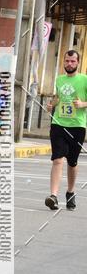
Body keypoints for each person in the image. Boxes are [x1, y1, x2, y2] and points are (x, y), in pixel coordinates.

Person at [45, 49, 87, 211]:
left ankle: (70, 192)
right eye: (67, 61)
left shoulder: (84, 79)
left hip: (77, 126)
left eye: (73, 61)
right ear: (63, 62)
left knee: (72, 162)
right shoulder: (59, 79)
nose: (69, 64)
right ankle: (53, 196)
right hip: (58, 124)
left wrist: (83, 104)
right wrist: (52, 104)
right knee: (57, 159)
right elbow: (58, 97)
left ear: (78, 63)